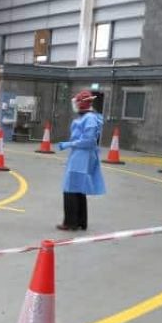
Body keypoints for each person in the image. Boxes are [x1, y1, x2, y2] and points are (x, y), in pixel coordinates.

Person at [56, 90, 105, 230]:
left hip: (81, 155)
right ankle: (80, 221)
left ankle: (71, 222)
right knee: (78, 187)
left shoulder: (89, 118)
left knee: (71, 188)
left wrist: (70, 144)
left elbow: (88, 140)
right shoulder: (90, 117)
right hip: (82, 154)